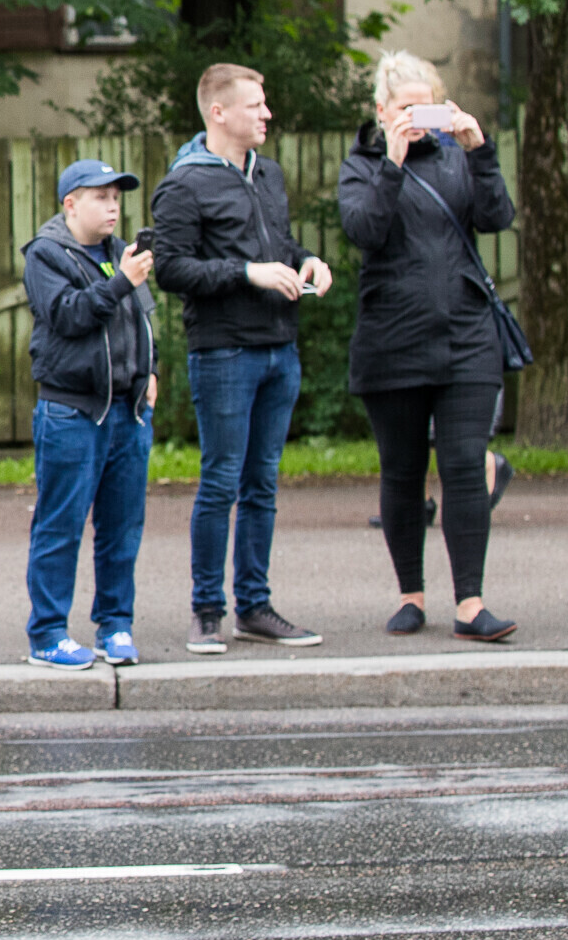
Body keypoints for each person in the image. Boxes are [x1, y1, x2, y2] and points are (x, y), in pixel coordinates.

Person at [337, 52, 519, 642]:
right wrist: (391, 162)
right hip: (392, 340)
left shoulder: (457, 159)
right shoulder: (363, 165)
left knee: (465, 464)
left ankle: (471, 603)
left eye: (427, 106)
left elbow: (497, 216)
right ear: (382, 109)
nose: (417, 117)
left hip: (466, 336)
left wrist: (479, 151)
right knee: (403, 471)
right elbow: (364, 230)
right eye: (406, 107)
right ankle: (410, 597)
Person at [151, 64, 332, 654]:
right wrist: (248, 273)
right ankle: (207, 611)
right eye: (255, 105)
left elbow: (278, 245)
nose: (267, 114)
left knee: (262, 485)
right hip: (224, 352)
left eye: (264, 103)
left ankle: (254, 608)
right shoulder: (184, 185)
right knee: (221, 482)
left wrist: (306, 260)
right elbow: (171, 269)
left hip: (280, 348)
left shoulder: (268, 174)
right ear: (218, 113)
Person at [20, 160, 158, 669]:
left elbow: (142, 320)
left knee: (122, 529)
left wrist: (151, 370)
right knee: (60, 528)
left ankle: (115, 626)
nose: (113, 206)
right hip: (72, 412)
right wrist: (121, 282)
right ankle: (47, 634)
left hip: (128, 412)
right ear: (71, 205)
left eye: (116, 197)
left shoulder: (122, 253)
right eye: (100, 197)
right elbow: (69, 315)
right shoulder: (45, 255)